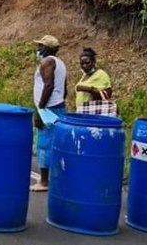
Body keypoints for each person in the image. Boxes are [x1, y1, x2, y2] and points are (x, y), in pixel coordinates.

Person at [32, 34, 67, 192]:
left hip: (48, 109)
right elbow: (65, 89)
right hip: (59, 107)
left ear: (47, 48)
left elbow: (49, 85)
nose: (38, 49)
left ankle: (44, 181)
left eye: (40, 46)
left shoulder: (47, 62)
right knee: (56, 143)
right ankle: (55, 179)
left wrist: (41, 109)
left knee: (44, 144)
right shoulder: (61, 64)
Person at [75, 47, 114, 114]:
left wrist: (88, 89)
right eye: (82, 64)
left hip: (94, 112)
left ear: (93, 62)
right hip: (83, 111)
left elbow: (107, 94)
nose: (84, 66)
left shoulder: (101, 74)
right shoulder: (84, 76)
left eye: (87, 63)